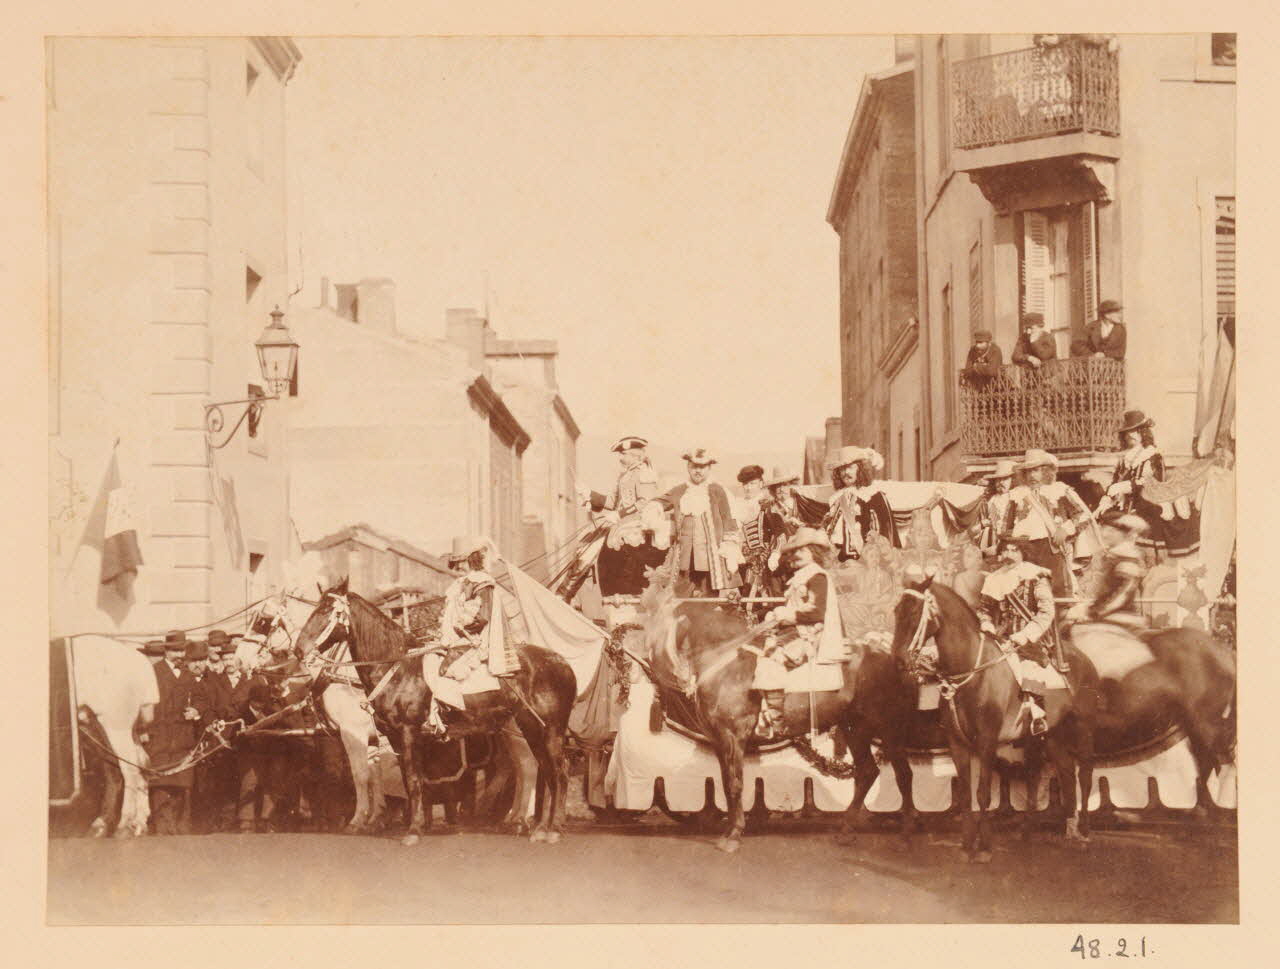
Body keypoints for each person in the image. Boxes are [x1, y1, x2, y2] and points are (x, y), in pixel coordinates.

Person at [754, 528, 844, 740]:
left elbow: (816, 612)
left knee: (771, 661)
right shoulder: (800, 577)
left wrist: (786, 614)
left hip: (811, 635)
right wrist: (773, 617)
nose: (795, 555)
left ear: (813, 551)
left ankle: (776, 722)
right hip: (794, 630)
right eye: (793, 551)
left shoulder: (817, 577)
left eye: (800, 550)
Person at [423, 537, 516, 733]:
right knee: (429, 658)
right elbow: (451, 614)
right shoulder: (461, 584)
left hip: (476, 639)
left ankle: (453, 719)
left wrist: (460, 629)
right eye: (455, 564)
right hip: (459, 638)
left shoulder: (482, 583)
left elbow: (482, 617)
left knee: (445, 668)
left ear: (472, 560)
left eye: (460, 563)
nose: (457, 568)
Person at [977, 538, 1056, 736]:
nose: (1010, 555)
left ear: (1023, 553)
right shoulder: (994, 579)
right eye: (1006, 551)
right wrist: (986, 622)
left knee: (1028, 666)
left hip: (1033, 636)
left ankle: (1038, 716)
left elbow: (1046, 612)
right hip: (1003, 635)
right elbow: (984, 609)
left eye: (1015, 550)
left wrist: (1026, 635)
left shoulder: (1035, 575)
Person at [1001, 448, 1095, 598]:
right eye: (1029, 471)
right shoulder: (1016, 495)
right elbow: (1005, 528)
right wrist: (1015, 539)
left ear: (1045, 471)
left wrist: (1065, 530)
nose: (1032, 475)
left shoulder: (1059, 491)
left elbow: (1083, 515)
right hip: (1024, 553)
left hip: (1051, 551)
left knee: (1057, 593)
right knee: (1027, 595)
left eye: (1036, 470)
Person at [655, 449, 744, 597]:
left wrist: (730, 548)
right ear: (688, 467)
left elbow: (727, 518)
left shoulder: (717, 490)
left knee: (710, 595)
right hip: (684, 556)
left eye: (702, 467)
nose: (698, 471)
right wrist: (654, 511)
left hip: (711, 556)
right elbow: (659, 502)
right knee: (681, 596)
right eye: (694, 467)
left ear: (709, 469)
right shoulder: (680, 490)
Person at [1096, 409, 1166, 550]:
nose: (1130, 435)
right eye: (1127, 432)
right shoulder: (1124, 459)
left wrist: (1123, 487)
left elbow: (1151, 483)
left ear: (1143, 432)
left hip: (1146, 511)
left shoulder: (1152, 455)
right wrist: (1104, 502)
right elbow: (1114, 485)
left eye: (1135, 430)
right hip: (1125, 510)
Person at [148, 630, 195, 834]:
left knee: (181, 784)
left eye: (182, 650)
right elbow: (146, 703)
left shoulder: (188, 674)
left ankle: (176, 827)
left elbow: (202, 698)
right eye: (175, 651)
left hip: (183, 737)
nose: (179, 655)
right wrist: (144, 729)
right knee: (160, 782)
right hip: (160, 736)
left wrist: (197, 710)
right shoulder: (153, 672)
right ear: (166, 651)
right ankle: (162, 826)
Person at [1067, 513, 1148, 629]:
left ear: (1124, 534)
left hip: (1119, 618)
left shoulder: (1127, 560)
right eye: (1104, 529)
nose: (1105, 534)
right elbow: (1102, 593)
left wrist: (1093, 612)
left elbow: (1121, 595)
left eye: (1111, 531)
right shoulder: (1113, 557)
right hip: (1105, 616)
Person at [822, 445, 900, 561]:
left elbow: (883, 531)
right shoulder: (835, 499)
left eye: (850, 467)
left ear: (860, 469)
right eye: (842, 469)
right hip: (838, 559)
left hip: (864, 559)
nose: (846, 472)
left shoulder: (873, 495)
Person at [977, 460, 1018, 556]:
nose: (1001, 482)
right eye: (998, 480)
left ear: (1012, 480)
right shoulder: (991, 501)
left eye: (1005, 479)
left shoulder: (1015, 498)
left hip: (1011, 541)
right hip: (992, 541)